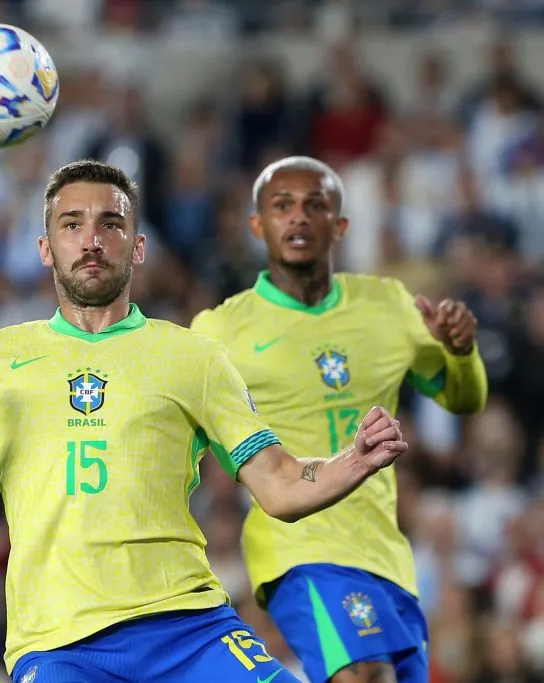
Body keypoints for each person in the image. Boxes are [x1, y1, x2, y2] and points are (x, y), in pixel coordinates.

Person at [0, 160, 410, 683]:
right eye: (72, 224)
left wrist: (352, 460)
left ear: (137, 248)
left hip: (189, 628)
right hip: (60, 645)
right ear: (45, 247)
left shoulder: (192, 355)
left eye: (110, 223)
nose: (91, 239)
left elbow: (280, 485)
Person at [191, 156, 488, 683]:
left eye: (315, 205)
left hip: (385, 551)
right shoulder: (221, 329)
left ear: (341, 225)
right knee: (363, 674)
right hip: (296, 547)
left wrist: (460, 352)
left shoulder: (389, 305)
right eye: (282, 207)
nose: (299, 218)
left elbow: (463, 401)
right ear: (258, 225)